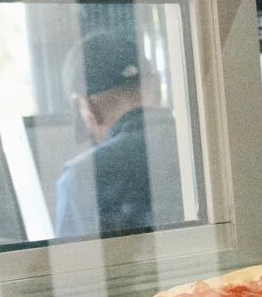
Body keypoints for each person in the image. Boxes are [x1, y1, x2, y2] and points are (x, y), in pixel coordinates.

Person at [55, 30, 185, 239]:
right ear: (156, 86)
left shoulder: (82, 178)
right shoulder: (208, 145)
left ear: (89, 109)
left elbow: (69, 268)